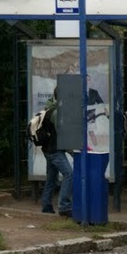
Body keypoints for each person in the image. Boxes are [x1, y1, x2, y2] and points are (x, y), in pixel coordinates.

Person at [40, 87, 73, 217]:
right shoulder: (56, 113)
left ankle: (46, 206)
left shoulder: (49, 108)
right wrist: (72, 151)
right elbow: (62, 134)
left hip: (48, 150)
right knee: (69, 174)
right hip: (55, 151)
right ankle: (64, 206)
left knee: (51, 179)